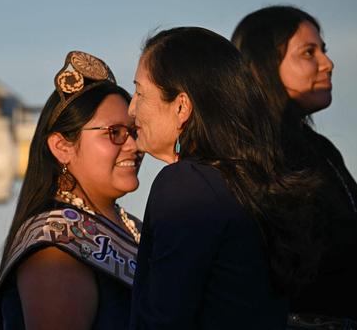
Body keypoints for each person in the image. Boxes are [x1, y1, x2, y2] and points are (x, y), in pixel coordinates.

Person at [128, 27, 320, 330]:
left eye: (139, 93)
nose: (131, 109)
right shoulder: (250, 185)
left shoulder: (185, 185)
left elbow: (164, 317)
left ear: (181, 106)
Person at [232, 5, 357, 327]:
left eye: (323, 50)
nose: (328, 63)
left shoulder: (320, 149)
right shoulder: (253, 155)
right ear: (263, 65)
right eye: (308, 52)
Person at [0, 51, 144, 330]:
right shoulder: (55, 248)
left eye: (134, 131)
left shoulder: (130, 229)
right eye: (115, 133)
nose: (134, 146)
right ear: (62, 147)